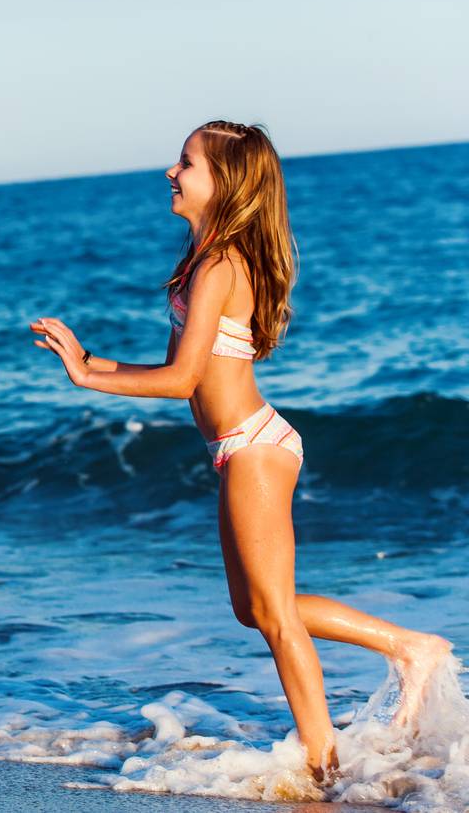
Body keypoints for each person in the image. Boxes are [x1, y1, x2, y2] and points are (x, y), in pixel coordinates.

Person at [30, 119, 452, 784]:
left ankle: (325, 767)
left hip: (256, 446)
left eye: (186, 163)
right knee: (255, 607)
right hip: (239, 447)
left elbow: (180, 382)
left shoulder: (222, 265)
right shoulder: (199, 262)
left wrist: (87, 376)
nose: (172, 172)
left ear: (223, 183)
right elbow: (175, 368)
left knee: (277, 615)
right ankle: (410, 646)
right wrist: (91, 361)